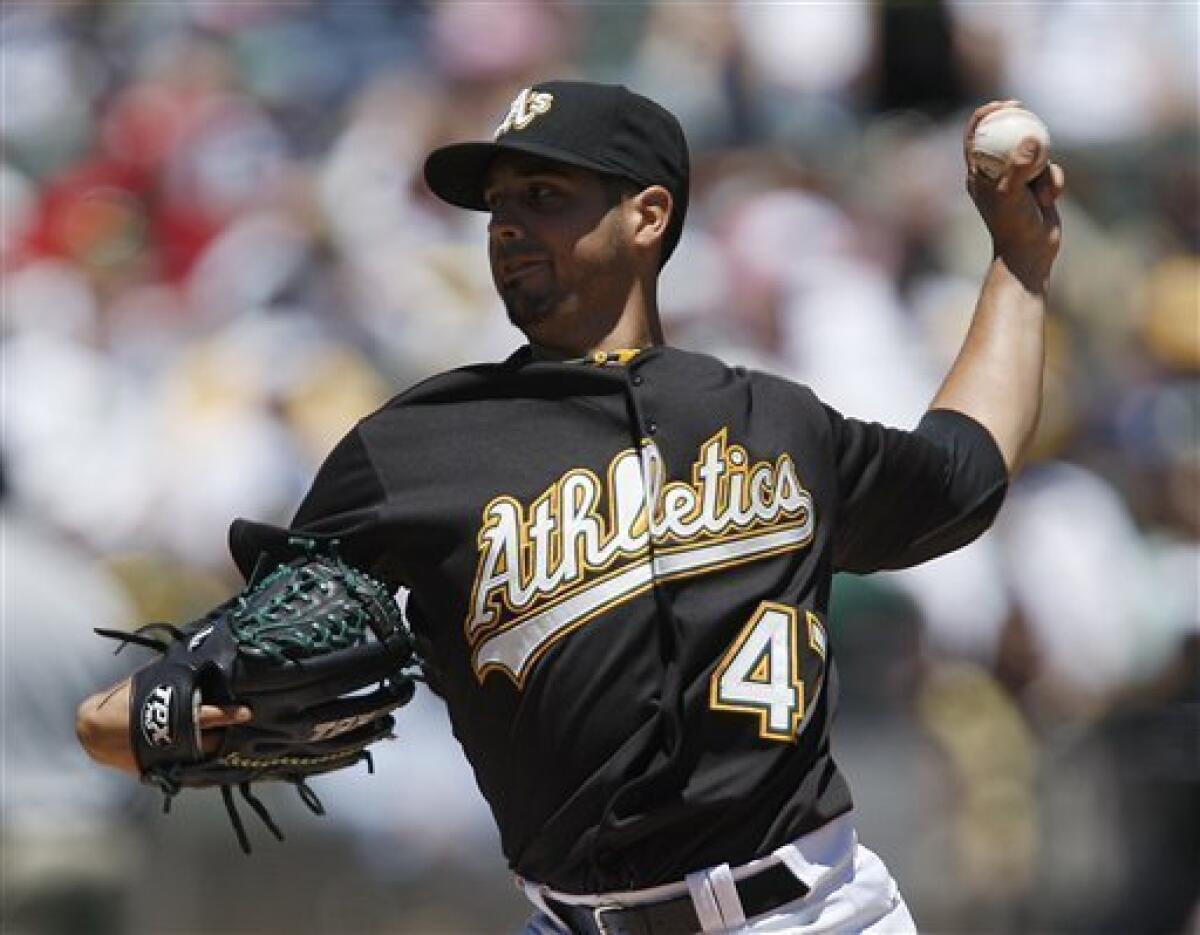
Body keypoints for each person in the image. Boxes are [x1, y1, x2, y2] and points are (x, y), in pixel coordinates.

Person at [77, 80, 1063, 933]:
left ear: (648, 215)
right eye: (498, 206)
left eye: (545, 196)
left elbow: (964, 471)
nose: (508, 225)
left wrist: (1019, 259)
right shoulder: (414, 446)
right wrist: (158, 717)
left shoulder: (779, 421)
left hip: (815, 909)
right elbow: (141, 708)